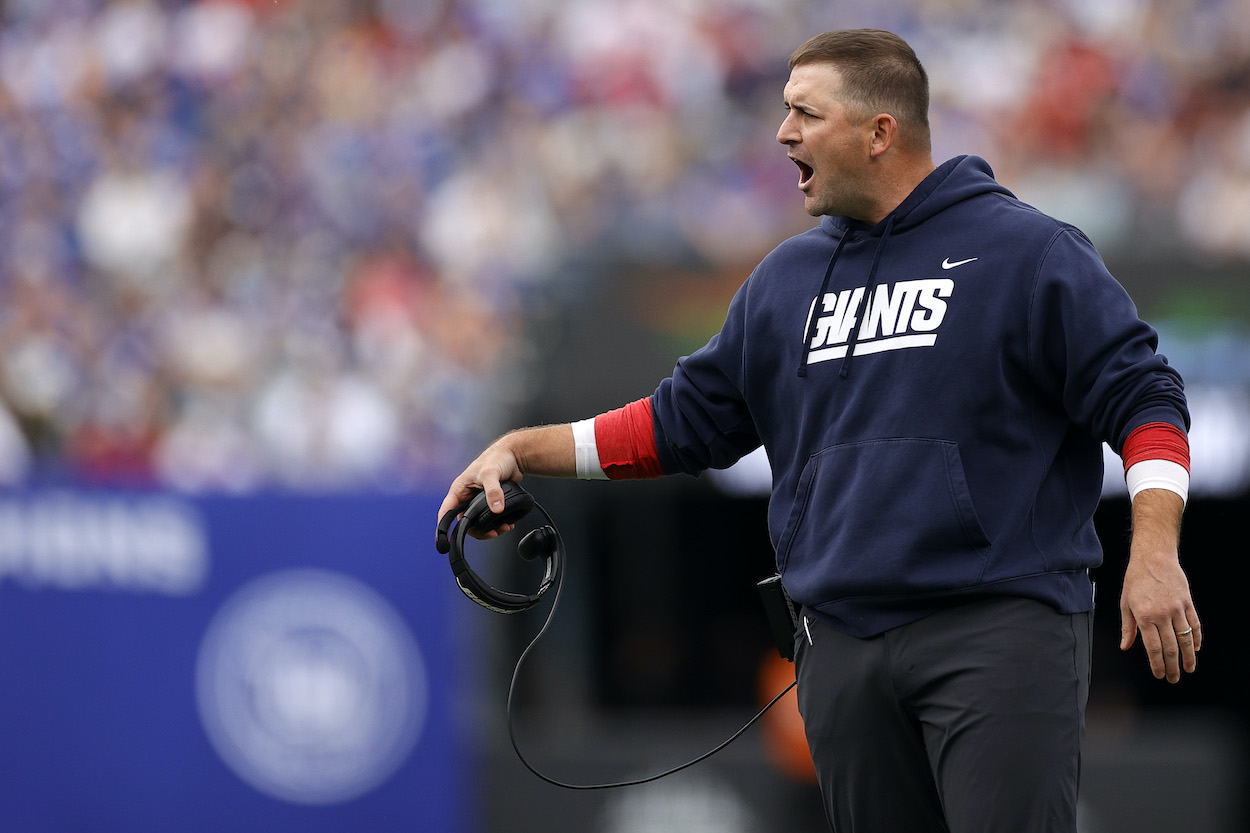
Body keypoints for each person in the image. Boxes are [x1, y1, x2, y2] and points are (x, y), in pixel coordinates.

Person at [437, 29, 1201, 833]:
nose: (782, 132)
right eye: (784, 111)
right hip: (840, 642)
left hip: (997, 627)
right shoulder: (783, 281)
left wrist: (1153, 552)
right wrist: (525, 448)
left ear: (880, 133)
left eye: (806, 112)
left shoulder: (1028, 251)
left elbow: (1147, 399)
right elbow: (675, 424)